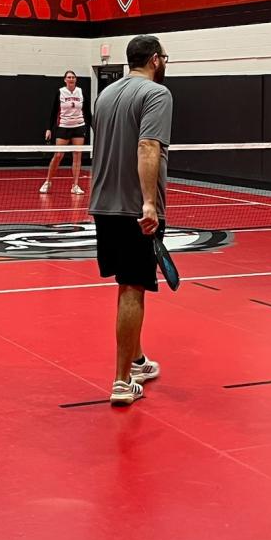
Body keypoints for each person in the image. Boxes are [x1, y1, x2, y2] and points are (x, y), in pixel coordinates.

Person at [87, 35, 172, 405]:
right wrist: (149, 203)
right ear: (155, 60)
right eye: (165, 57)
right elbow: (147, 145)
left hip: (103, 205)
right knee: (133, 288)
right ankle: (123, 381)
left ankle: (137, 360)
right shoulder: (156, 95)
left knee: (126, 285)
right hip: (136, 208)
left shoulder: (104, 96)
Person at [40, 70, 88, 195]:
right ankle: (48, 181)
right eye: (69, 77)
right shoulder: (60, 92)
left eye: (73, 77)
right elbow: (53, 111)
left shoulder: (80, 92)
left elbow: (87, 111)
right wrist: (49, 128)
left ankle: (75, 185)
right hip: (63, 127)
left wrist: (94, 127)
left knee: (77, 156)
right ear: (65, 80)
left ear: (76, 79)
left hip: (79, 126)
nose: (71, 79)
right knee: (58, 155)